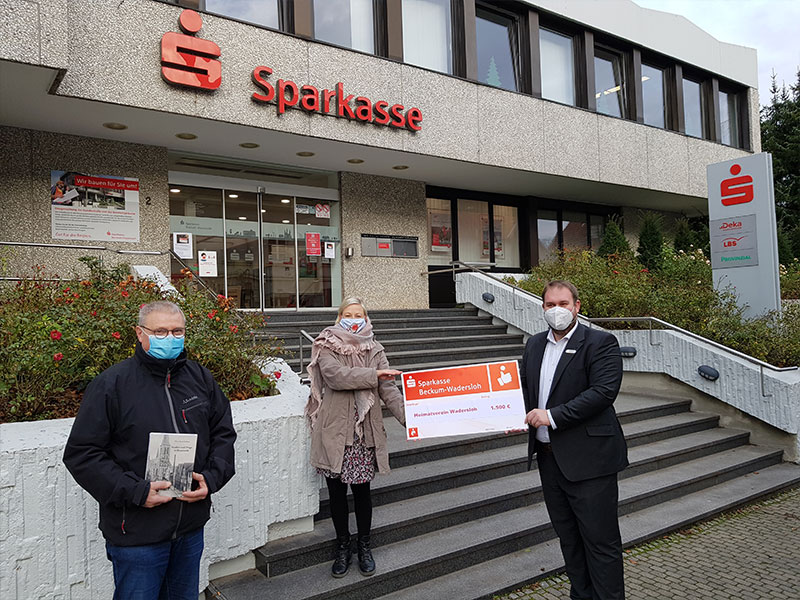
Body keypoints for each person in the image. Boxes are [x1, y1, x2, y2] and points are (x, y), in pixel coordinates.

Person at [63, 301, 237, 600]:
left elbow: (223, 433)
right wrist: (137, 491)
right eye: (160, 331)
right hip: (137, 533)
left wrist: (211, 478)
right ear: (140, 333)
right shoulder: (112, 385)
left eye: (177, 331)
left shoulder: (200, 378)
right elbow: (83, 454)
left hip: (189, 527)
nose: (170, 338)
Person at [520, 280, 628, 600]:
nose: (557, 310)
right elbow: (523, 391)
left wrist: (552, 416)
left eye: (563, 304)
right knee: (569, 539)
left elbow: (603, 393)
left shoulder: (600, 342)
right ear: (542, 308)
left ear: (577, 306)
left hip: (590, 460)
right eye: (550, 305)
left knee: (600, 542)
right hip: (549, 459)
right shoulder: (534, 345)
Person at [305, 297, 405, 578]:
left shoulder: (376, 348)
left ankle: (364, 546)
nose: (353, 319)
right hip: (335, 432)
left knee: (362, 493)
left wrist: (411, 420)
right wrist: (375, 374)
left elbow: (388, 389)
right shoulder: (326, 344)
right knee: (337, 495)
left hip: (363, 433)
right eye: (348, 315)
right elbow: (337, 377)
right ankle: (342, 546)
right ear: (339, 317)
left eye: (358, 315)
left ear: (366, 318)